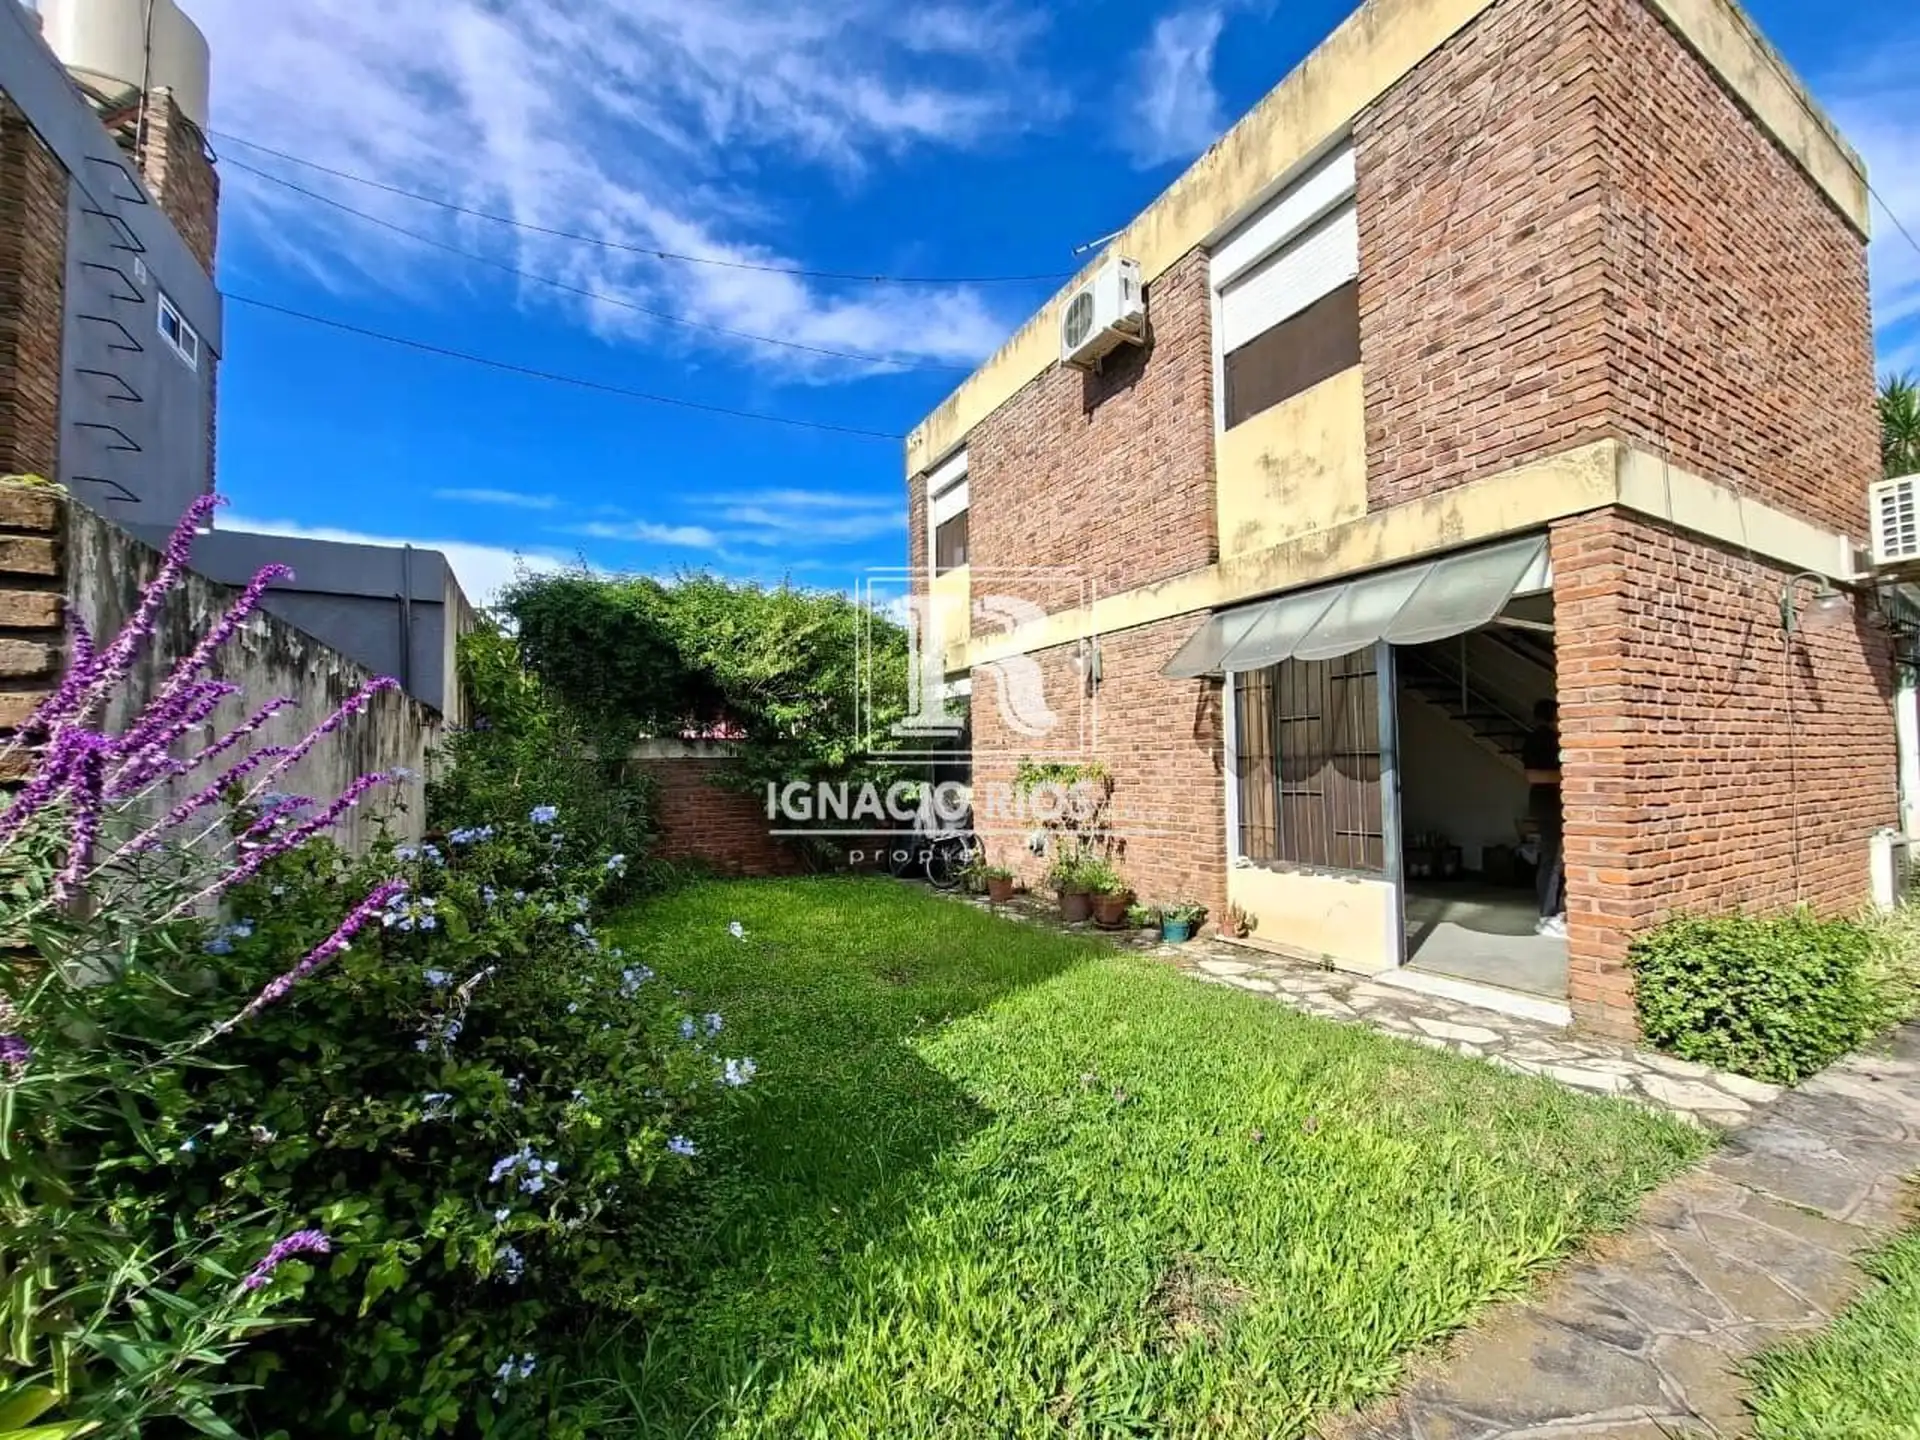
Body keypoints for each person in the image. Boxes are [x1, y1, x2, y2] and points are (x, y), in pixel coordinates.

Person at [1522, 698, 1565, 938]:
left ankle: (1554, 913)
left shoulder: (1552, 738)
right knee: (1551, 860)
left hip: (1554, 805)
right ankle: (1546, 917)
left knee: (1557, 860)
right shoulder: (1539, 739)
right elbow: (1533, 775)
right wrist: (1567, 775)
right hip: (1548, 806)